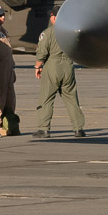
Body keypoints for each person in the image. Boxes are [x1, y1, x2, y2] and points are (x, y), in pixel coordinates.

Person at [33, 7, 85, 138]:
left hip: (53, 65)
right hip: (68, 65)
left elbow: (42, 52)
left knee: (46, 98)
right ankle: (78, 129)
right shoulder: (71, 32)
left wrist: (37, 67)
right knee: (71, 98)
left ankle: (44, 129)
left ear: (54, 17)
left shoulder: (48, 33)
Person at [0, 5, 20, 136]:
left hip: (8, 69)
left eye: (3, 15)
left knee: (10, 98)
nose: (3, 18)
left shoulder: (2, 30)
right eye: (0, 15)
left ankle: (10, 123)